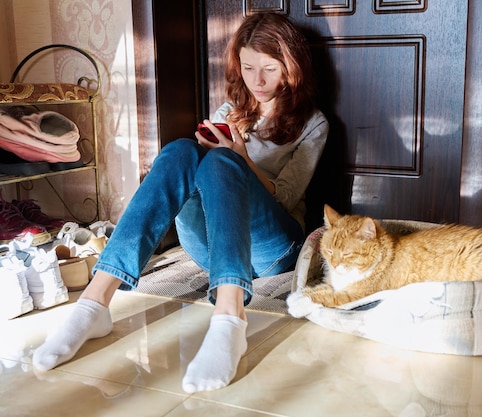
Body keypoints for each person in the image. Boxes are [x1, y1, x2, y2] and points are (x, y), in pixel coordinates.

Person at [33, 12, 329, 393]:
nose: (257, 81)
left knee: (223, 161)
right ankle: (94, 303)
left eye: (269, 69)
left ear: (291, 68)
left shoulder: (313, 123)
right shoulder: (230, 112)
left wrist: (242, 160)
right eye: (249, 66)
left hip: (273, 249)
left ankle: (229, 317)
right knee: (180, 152)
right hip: (211, 245)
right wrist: (212, 158)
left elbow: (288, 196)